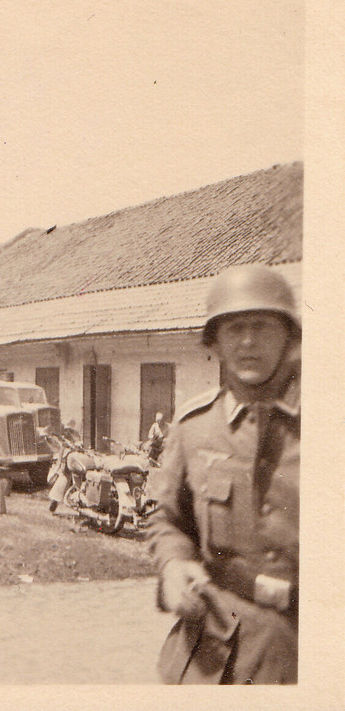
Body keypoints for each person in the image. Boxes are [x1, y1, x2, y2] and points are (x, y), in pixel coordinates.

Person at [148, 264, 300, 684]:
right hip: (212, 647)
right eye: (234, 329)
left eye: (262, 327)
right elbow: (167, 518)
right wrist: (174, 565)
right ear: (215, 342)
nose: (248, 342)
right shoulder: (194, 426)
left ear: (290, 337)